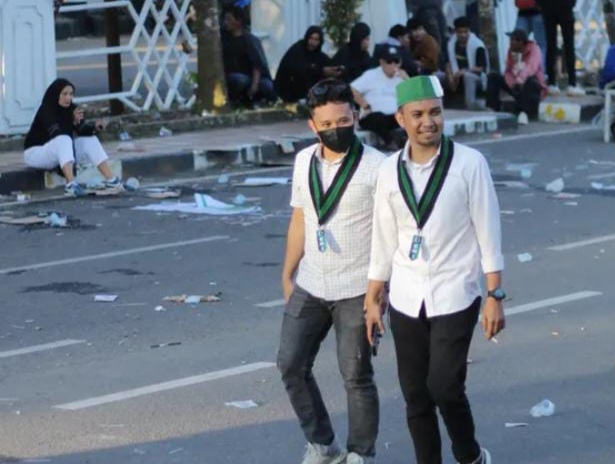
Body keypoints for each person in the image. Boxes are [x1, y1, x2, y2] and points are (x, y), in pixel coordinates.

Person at [365, 75, 505, 464]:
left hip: (456, 292)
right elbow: (383, 238)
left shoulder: (469, 164)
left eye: (435, 112)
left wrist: (495, 295)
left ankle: (470, 455)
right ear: (400, 118)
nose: (428, 122)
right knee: (415, 395)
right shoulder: (389, 170)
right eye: (418, 115)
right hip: (406, 297)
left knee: (444, 386)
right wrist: (373, 297)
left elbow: (489, 232)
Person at [278, 78, 385, 464]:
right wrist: (287, 273)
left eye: (342, 121)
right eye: (326, 124)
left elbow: (389, 234)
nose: (335, 129)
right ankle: (323, 445)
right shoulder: (304, 161)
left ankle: (361, 454)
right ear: (313, 126)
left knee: (356, 376)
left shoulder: (378, 167)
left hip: (357, 288)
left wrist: (378, 294)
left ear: (354, 116)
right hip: (311, 283)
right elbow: (300, 219)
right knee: (290, 364)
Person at [23, 78, 121, 197]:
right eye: (64, 94)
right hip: (36, 153)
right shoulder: (47, 109)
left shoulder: (71, 109)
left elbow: (81, 130)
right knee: (64, 139)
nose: (68, 98)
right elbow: (57, 133)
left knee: (90, 140)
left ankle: (111, 180)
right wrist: (70, 120)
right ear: (56, 94)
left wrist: (95, 127)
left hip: (59, 151)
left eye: (70, 94)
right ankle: (71, 185)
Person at [352, 46, 409, 149]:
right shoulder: (371, 75)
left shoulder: (401, 77)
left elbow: (416, 96)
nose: (393, 65)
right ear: (382, 62)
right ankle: (390, 142)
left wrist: (407, 79)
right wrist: (365, 105)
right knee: (378, 118)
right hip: (372, 116)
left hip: (394, 116)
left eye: (396, 61)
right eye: (389, 61)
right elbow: (352, 89)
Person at [487, 29, 547, 125]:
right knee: (493, 77)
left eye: (512, 40)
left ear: (521, 42)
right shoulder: (512, 51)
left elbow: (531, 67)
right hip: (515, 84)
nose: (510, 42)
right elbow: (508, 70)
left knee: (529, 80)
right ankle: (493, 108)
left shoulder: (534, 49)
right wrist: (511, 82)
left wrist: (520, 79)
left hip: (531, 86)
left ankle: (522, 112)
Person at [221, 6, 276, 106]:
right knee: (237, 80)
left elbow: (257, 65)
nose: (225, 22)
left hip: (254, 78)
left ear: (238, 22)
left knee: (268, 86)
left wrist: (254, 85)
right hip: (237, 78)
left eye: (229, 19)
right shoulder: (224, 39)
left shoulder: (250, 40)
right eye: (225, 19)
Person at [275, 26, 342, 103]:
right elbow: (301, 70)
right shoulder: (298, 49)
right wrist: (321, 71)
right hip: (288, 90)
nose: (313, 42)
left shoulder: (317, 54)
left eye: (316, 40)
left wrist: (336, 69)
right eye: (311, 38)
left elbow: (326, 62)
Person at [537, 0, 585, 96]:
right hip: (565, 6)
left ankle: (551, 83)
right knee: (569, 45)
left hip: (547, 7)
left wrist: (541, 5)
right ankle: (572, 84)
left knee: (550, 45)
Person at [446, 16, 490, 110]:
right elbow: (448, 63)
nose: (463, 35)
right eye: (460, 32)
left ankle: (471, 106)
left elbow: (481, 68)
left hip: (476, 77)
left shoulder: (477, 45)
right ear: (455, 32)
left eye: (465, 32)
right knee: (438, 76)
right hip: (456, 76)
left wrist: (464, 71)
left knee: (468, 76)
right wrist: (450, 75)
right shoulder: (451, 43)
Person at [514, 0, 547, 72]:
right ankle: (540, 72)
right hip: (538, 10)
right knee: (541, 45)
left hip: (523, 11)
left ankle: (517, 72)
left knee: (517, 43)